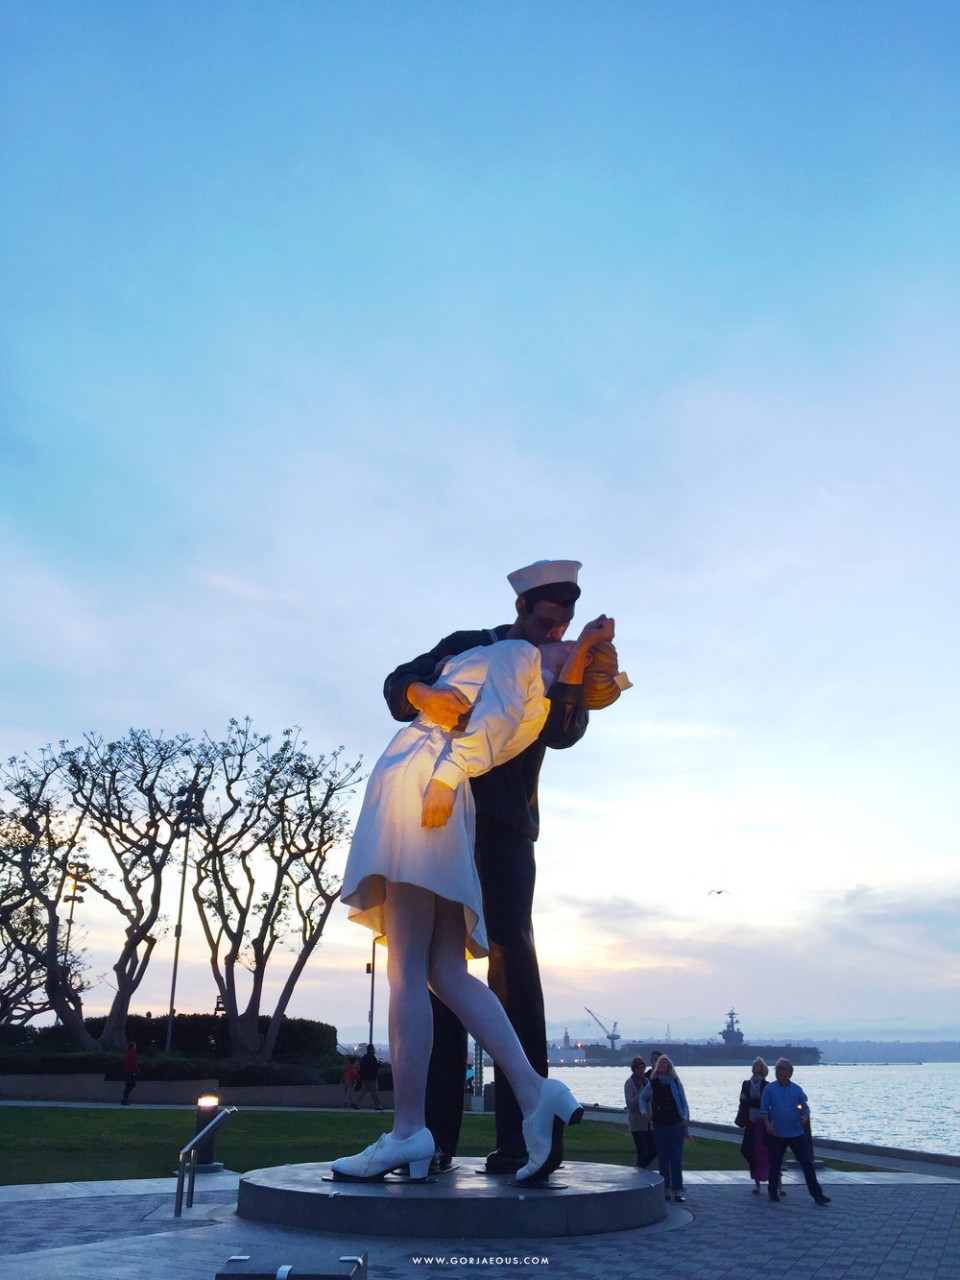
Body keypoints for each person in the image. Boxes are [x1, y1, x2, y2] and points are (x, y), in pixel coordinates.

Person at [333, 615, 626, 1184]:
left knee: (409, 967)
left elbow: (486, 728)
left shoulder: (521, 658)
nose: (561, 634)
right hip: (442, 790)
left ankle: (408, 1132)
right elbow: (427, 693)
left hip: (425, 781)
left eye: (572, 646)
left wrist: (445, 774)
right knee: (444, 970)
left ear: (568, 665)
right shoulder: (533, 691)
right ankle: (535, 1090)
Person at [760, 1058, 831, 1206]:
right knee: (775, 1164)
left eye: (783, 1069)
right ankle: (773, 1192)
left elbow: (804, 1108)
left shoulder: (796, 1089)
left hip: (796, 1133)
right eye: (778, 1069)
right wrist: (768, 1124)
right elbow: (764, 1110)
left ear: (790, 1073)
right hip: (777, 1133)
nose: (779, 1072)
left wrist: (804, 1116)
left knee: (806, 1163)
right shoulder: (770, 1089)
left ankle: (817, 1195)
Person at [638, 1054, 690, 1202]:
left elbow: (684, 1102)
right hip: (660, 1124)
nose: (662, 1066)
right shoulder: (653, 1083)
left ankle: (677, 1190)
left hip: (675, 1123)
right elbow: (643, 1098)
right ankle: (665, 1189)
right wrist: (644, 1112)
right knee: (663, 1157)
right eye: (660, 1064)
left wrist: (685, 1118)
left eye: (665, 1064)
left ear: (669, 1067)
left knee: (676, 1158)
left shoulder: (676, 1083)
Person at [738, 1057, 777, 1194]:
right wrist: (753, 1101)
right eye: (754, 1065)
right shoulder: (746, 1084)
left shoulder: (767, 1085)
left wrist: (750, 1101)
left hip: (762, 1121)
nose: (755, 1067)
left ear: (763, 1069)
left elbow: (764, 1104)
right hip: (749, 1121)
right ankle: (757, 1178)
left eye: (758, 1066)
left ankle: (772, 1180)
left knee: (765, 1151)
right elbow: (743, 1102)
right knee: (747, 1150)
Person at [624, 1057, 656, 1169]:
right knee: (642, 1151)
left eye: (643, 1068)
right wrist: (641, 1094)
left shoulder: (647, 1081)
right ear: (633, 1069)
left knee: (653, 1150)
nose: (641, 1071)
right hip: (637, 1123)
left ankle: (643, 1169)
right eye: (639, 1068)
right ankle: (641, 1172)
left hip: (648, 1122)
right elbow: (629, 1104)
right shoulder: (629, 1083)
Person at [356, 1044, 383, 1111]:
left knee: (362, 1092)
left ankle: (357, 1104)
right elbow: (375, 1068)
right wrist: (379, 1064)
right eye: (374, 1049)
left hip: (365, 1078)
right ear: (372, 1050)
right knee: (374, 1093)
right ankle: (377, 1105)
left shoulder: (364, 1058)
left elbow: (361, 1068)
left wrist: (362, 1076)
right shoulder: (373, 1058)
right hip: (372, 1078)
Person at [120, 1040, 139, 1105]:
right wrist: (136, 1070)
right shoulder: (132, 1053)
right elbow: (133, 1062)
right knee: (130, 1084)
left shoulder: (128, 1053)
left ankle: (125, 1098)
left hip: (128, 1071)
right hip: (129, 1071)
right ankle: (125, 1099)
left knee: (129, 1085)